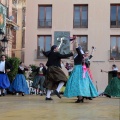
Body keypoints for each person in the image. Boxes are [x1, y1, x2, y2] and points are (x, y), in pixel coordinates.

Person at [64, 38, 98, 103]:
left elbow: (77, 48)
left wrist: (75, 42)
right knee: (78, 83)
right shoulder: (78, 56)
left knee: (79, 83)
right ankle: (80, 98)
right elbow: (77, 50)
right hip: (78, 69)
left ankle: (80, 98)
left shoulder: (80, 55)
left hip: (79, 69)